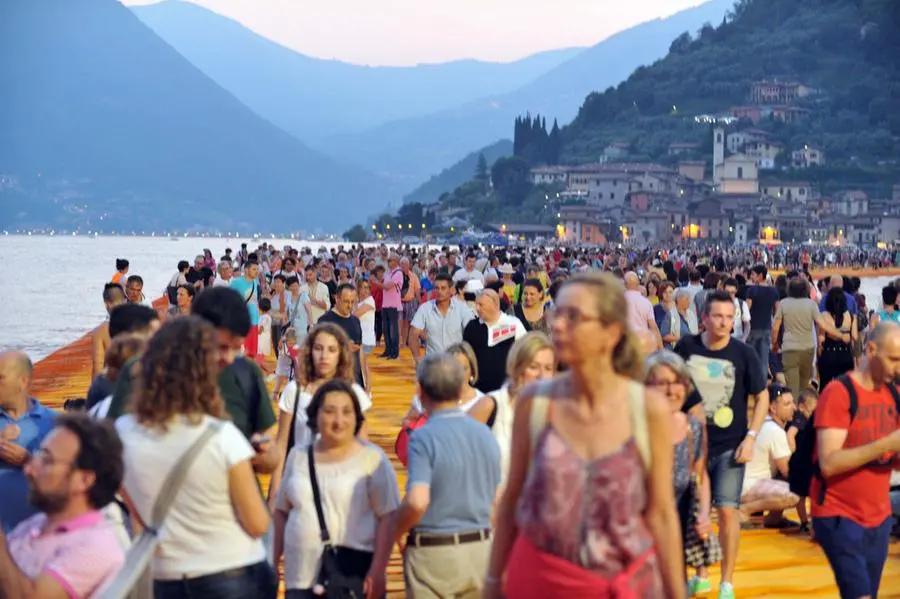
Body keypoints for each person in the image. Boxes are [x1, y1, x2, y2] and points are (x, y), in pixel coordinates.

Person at [486, 272, 683, 599]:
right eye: (558, 313)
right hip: (538, 582)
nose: (559, 325)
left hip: (622, 583)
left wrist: (677, 593)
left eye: (574, 317)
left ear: (611, 332)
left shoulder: (648, 410)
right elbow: (512, 499)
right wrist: (493, 582)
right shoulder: (535, 403)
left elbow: (662, 514)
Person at [116, 317, 277, 599]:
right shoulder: (221, 436)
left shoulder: (123, 432)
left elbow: (127, 499)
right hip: (230, 571)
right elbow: (257, 523)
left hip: (164, 575)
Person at [106, 287, 279, 473]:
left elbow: (271, 453)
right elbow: (111, 450)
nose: (229, 358)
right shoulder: (142, 370)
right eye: (220, 347)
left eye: (236, 348)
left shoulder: (246, 372)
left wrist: (254, 454)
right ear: (194, 333)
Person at [674, 290, 769, 599]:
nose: (724, 323)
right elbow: (669, 384)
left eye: (729, 317)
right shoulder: (685, 347)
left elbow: (762, 395)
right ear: (704, 319)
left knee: (728, 511)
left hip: (730, 446)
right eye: (718, 316)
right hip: (689, 446)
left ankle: (726, 581)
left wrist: (752, 437)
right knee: (694, 514)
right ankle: (700, 574)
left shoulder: (744, 354)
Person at [273, 379, 399, 599]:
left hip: (354, 577)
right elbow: (281, 512)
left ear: (357, 418)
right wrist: (272, 562)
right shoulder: (298, 457)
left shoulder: (373, 460)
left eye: (347, 412)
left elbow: (388, 517)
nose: (339, 420)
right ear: (315, 415)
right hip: (300, 577)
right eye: (330, 411)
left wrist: (379, 570)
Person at [393, 352, 500, 598]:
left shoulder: (423, 437)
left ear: (421, 392)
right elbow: (496, 500)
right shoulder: (484, 433)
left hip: (434, 554)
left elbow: (418, 501)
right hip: (480, 550)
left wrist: (395, 532)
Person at [812, 322, 900, 599]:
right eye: (894, 359)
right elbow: (829, 463)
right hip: (838, 513)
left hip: (879, 514)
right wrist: (886, 444)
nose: (898, 368)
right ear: (871, 350)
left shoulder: (893, 394)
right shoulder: (839, 392)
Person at [0, 414, 126, 597]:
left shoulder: (95, 547)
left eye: (47, 460)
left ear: (84, 480)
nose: (29, 469)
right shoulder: (35, 525)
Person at [645, 351, 714, 597]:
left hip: (676, 530)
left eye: (677, 382)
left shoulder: (693, 428)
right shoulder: (634, 426)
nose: (671, 390)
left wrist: (704, 514)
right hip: (640, 535)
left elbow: (701, 475)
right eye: (662, 383)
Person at [468, 332, 555, 487]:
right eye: (534, 367)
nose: (542, 376)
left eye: (548, 368)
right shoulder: (490, 406)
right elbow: (455, 458)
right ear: (516, 367)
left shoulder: (554, 414)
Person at [0, 351, 57, 533]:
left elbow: (68, 476)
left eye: (0, 378)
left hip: (38, 537)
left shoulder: (53, 422)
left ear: (23, 381)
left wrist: (29, 460)